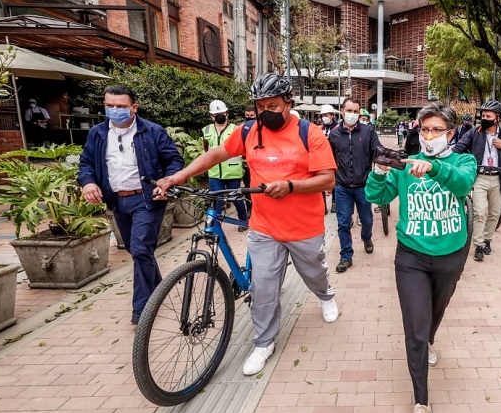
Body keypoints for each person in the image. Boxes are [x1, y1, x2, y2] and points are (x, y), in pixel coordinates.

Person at [154, 73, 339, 375]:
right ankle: (264, 342)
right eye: (260, 105)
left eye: (273, 105)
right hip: (264, 226)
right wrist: (180, 176)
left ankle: (325, 295)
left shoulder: (310, 133)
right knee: (263, 287)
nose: (266, 111)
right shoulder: (249, 131)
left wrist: (290, 185)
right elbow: (217, 153)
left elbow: (328, 179)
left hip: (304, 226)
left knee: (313, 271)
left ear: (288, 103)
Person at [365, 101, 477, 413]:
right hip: (410, 256)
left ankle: (429, 339)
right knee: (414, 328)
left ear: (450, 133)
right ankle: (421, 403)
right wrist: (380, 171)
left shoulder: (463, 160)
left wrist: (434, 169)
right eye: (424, 129)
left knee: (435, 311)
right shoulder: (406, 163)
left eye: (437, 130)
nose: (429, 136)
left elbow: (462, 184)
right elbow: (378, 197)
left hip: (450, 255)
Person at [78, 85, 184, 325]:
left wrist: (167, 182)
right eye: (110, 106)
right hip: (117, 200)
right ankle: (158, 288)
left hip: (147, 199)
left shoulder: (152, 131)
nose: (115, 111)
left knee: (139, 249)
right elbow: (86, 163)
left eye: (121, 107)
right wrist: (87, 183)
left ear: (134, 107)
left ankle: (142, 310)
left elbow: (174, 159)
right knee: (137, 250)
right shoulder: (98, 133)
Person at [453, 99, 501, 262]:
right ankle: (479, 245)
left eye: (488, 115)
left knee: (495, 213)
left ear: (497, 118)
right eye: (483, 115)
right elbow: (459, 147)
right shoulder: (474, 133)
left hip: (498, 178)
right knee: (479, 212)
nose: (485, 118)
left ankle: (488, 239)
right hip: (480, 177)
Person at [329, 98, 382, 272]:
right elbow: (329, 160)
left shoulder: (368, 132)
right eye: (349, 110)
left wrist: (386, 163)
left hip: (363, 186)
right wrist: (328, 182)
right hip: (342, 187)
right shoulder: (335, 135)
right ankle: (346, 256)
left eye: (355, 111)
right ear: (342, 111)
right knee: (343, 223)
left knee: (366, 220)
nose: (352, 114)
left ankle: (367, 238)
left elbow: (378, 153)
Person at [203, 100, 249, 231]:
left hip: (233, 171)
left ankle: (243, 221)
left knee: (236, 199)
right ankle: (215, 227)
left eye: (222, 113)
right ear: (211, 116)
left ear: (227, 114)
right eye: (216, 114)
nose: (219, 116)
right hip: (215, 172)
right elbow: (206, 149)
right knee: (216, 200)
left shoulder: (236, 130)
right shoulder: (206, 130)